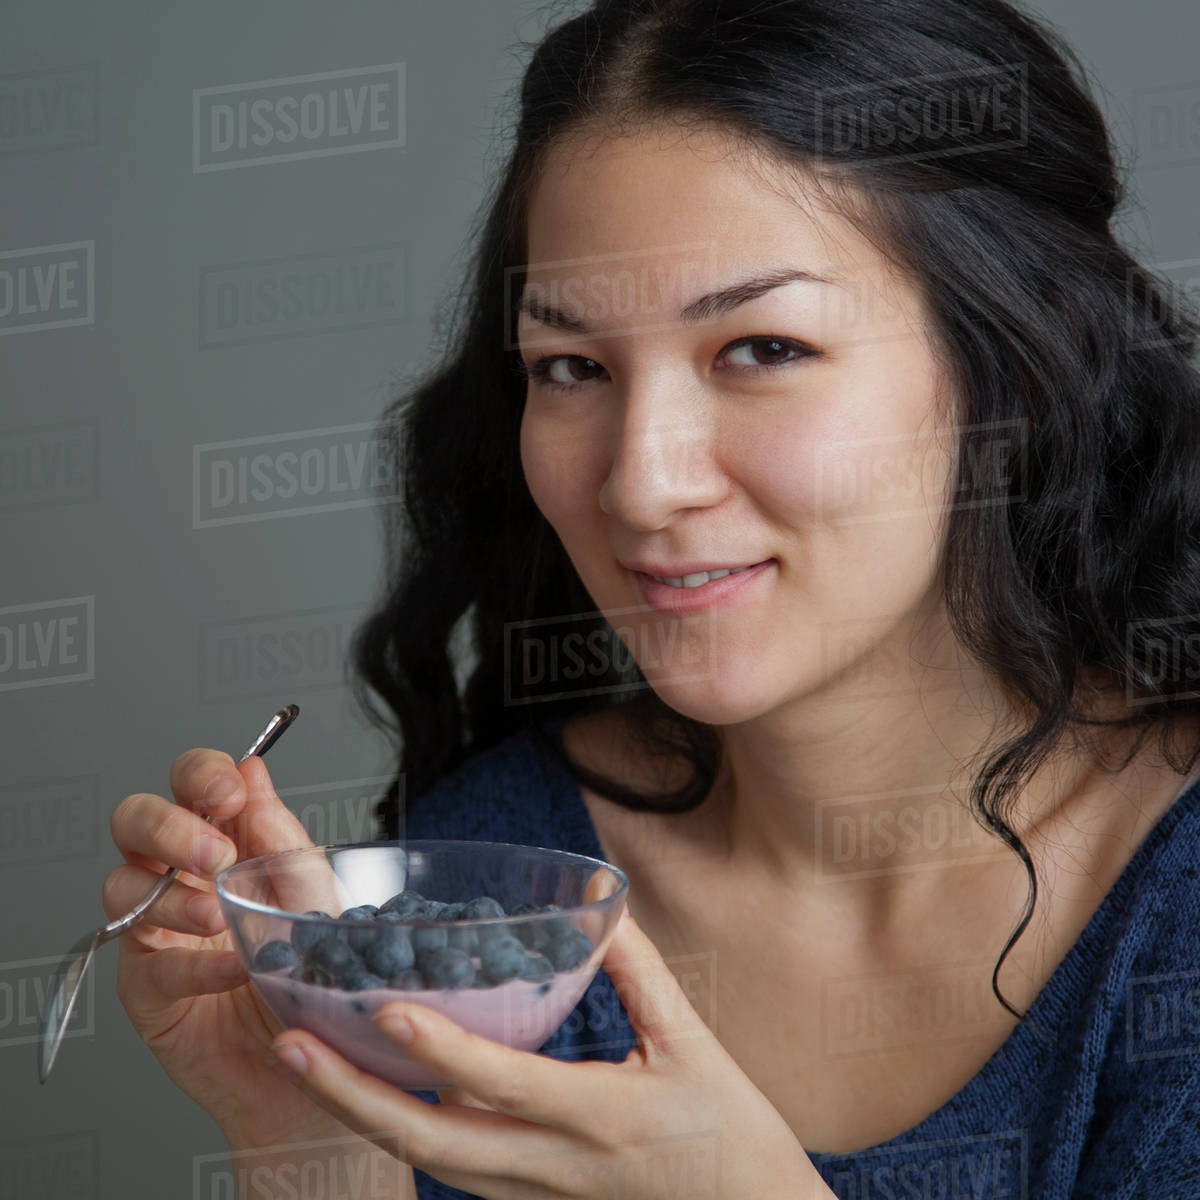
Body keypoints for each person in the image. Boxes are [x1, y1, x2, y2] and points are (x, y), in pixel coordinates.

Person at [106, 0, 1200, 1196]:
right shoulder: (508, 880)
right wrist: (313, 1122)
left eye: (761, 349)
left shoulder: (1171, 903)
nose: (640, 482)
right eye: (572, 367)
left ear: (1021, 369)